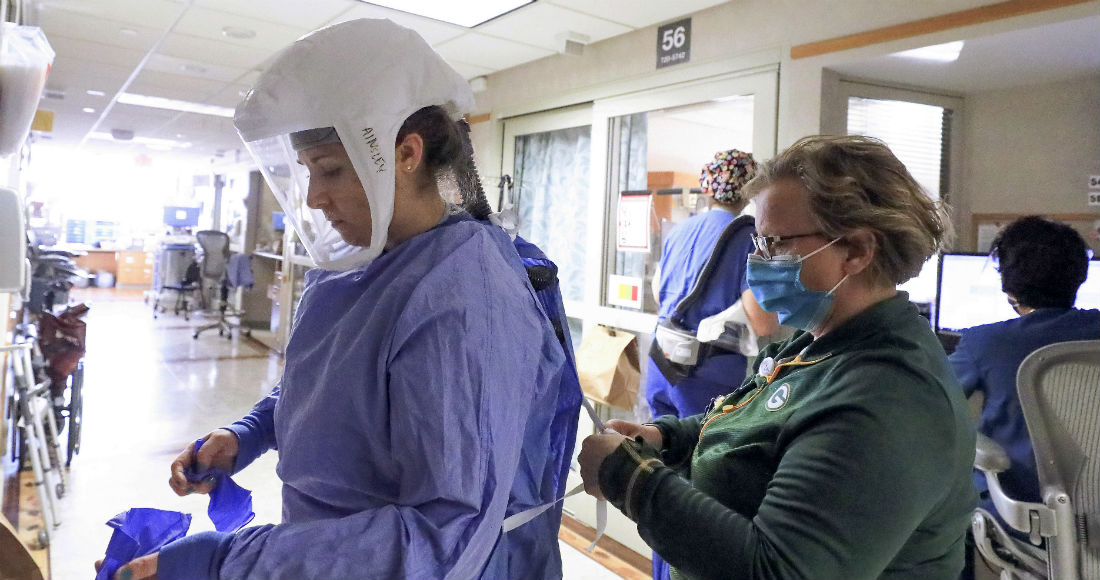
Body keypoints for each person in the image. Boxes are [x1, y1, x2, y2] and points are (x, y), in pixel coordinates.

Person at [103, 19, 578, 580]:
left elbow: (444, 536)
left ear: (405, 153)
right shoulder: (355, 265)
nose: (313, 196)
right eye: (306, 170)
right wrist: (248, 434)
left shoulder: (463, 295)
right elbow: (331, 386)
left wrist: (221, 562)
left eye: (329, 169)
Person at [579, 135, 977, 579]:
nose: (757, 262)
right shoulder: (820, 341)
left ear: (859, 250)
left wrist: (628, 478)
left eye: (775, 244)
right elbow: (746, 422)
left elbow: (777, 570)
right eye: (758, 243)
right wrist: (664, 438)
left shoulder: (888, 397)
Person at [645, 149, 777, 580]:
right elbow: (760, 317)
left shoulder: (680, 231)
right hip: (708, 375)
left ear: (707, 185)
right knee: (695, 493)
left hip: (662, 365)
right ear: (751, 188)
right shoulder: (747, 237)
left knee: (656, 474)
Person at [949, 216, 1099, 518]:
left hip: (1021, 511)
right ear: (1080, 277)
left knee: (945, 506)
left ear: (1008, 286)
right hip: (1095, 513)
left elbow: (930, 398)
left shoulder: (983, 342)